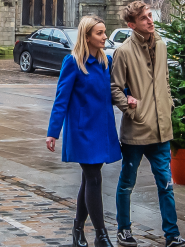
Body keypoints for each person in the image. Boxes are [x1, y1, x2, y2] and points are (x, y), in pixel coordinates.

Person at [110, 0, 185, 247]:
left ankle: (172, 235)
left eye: (150, 15)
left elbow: (164, 80)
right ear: (132, 24)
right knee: (127, 183)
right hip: (136, 130)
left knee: (166, 185)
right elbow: (115, 88)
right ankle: (124, 230)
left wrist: (168, 104)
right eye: (144, 18)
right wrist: (130, 107)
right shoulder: (124, 51)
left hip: (161, 130)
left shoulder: (162, 45)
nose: (150, 20)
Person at [46, 15, 122, 247]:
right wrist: (53, 132)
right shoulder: (73, 63)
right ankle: (102, 235)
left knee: (89, 180)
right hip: (83, 131)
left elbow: (114, 90)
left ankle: (78, 230)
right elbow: (61, 100)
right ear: (86, 36)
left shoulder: (105, 62)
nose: (105, 36)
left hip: (102, 129)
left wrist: (128, 96)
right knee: (94, 178)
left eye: (104, 32)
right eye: (99, 33)